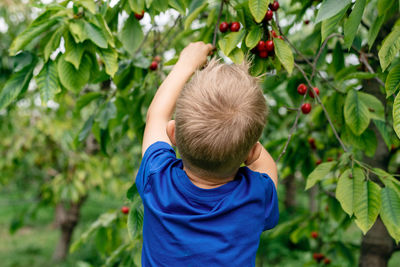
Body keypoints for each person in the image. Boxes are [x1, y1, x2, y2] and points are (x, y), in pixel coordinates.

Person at [135, 42, 279, 266]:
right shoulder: (255, 196)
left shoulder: (157, 178)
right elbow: (267, 168)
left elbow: (157, 116)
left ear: (173, 133)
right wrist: (244, 141)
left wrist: (186, 64)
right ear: (252, 152)